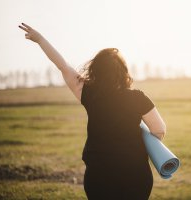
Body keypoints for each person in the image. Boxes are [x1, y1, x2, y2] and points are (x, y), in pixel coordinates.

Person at [18, 23, 166, 200]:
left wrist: (40, 40)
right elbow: (159, 130)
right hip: (135, 175)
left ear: (96, 69)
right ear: (123, 71)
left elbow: (63, 66)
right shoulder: (138, 97)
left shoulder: (89, 93)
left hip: (99, 175)